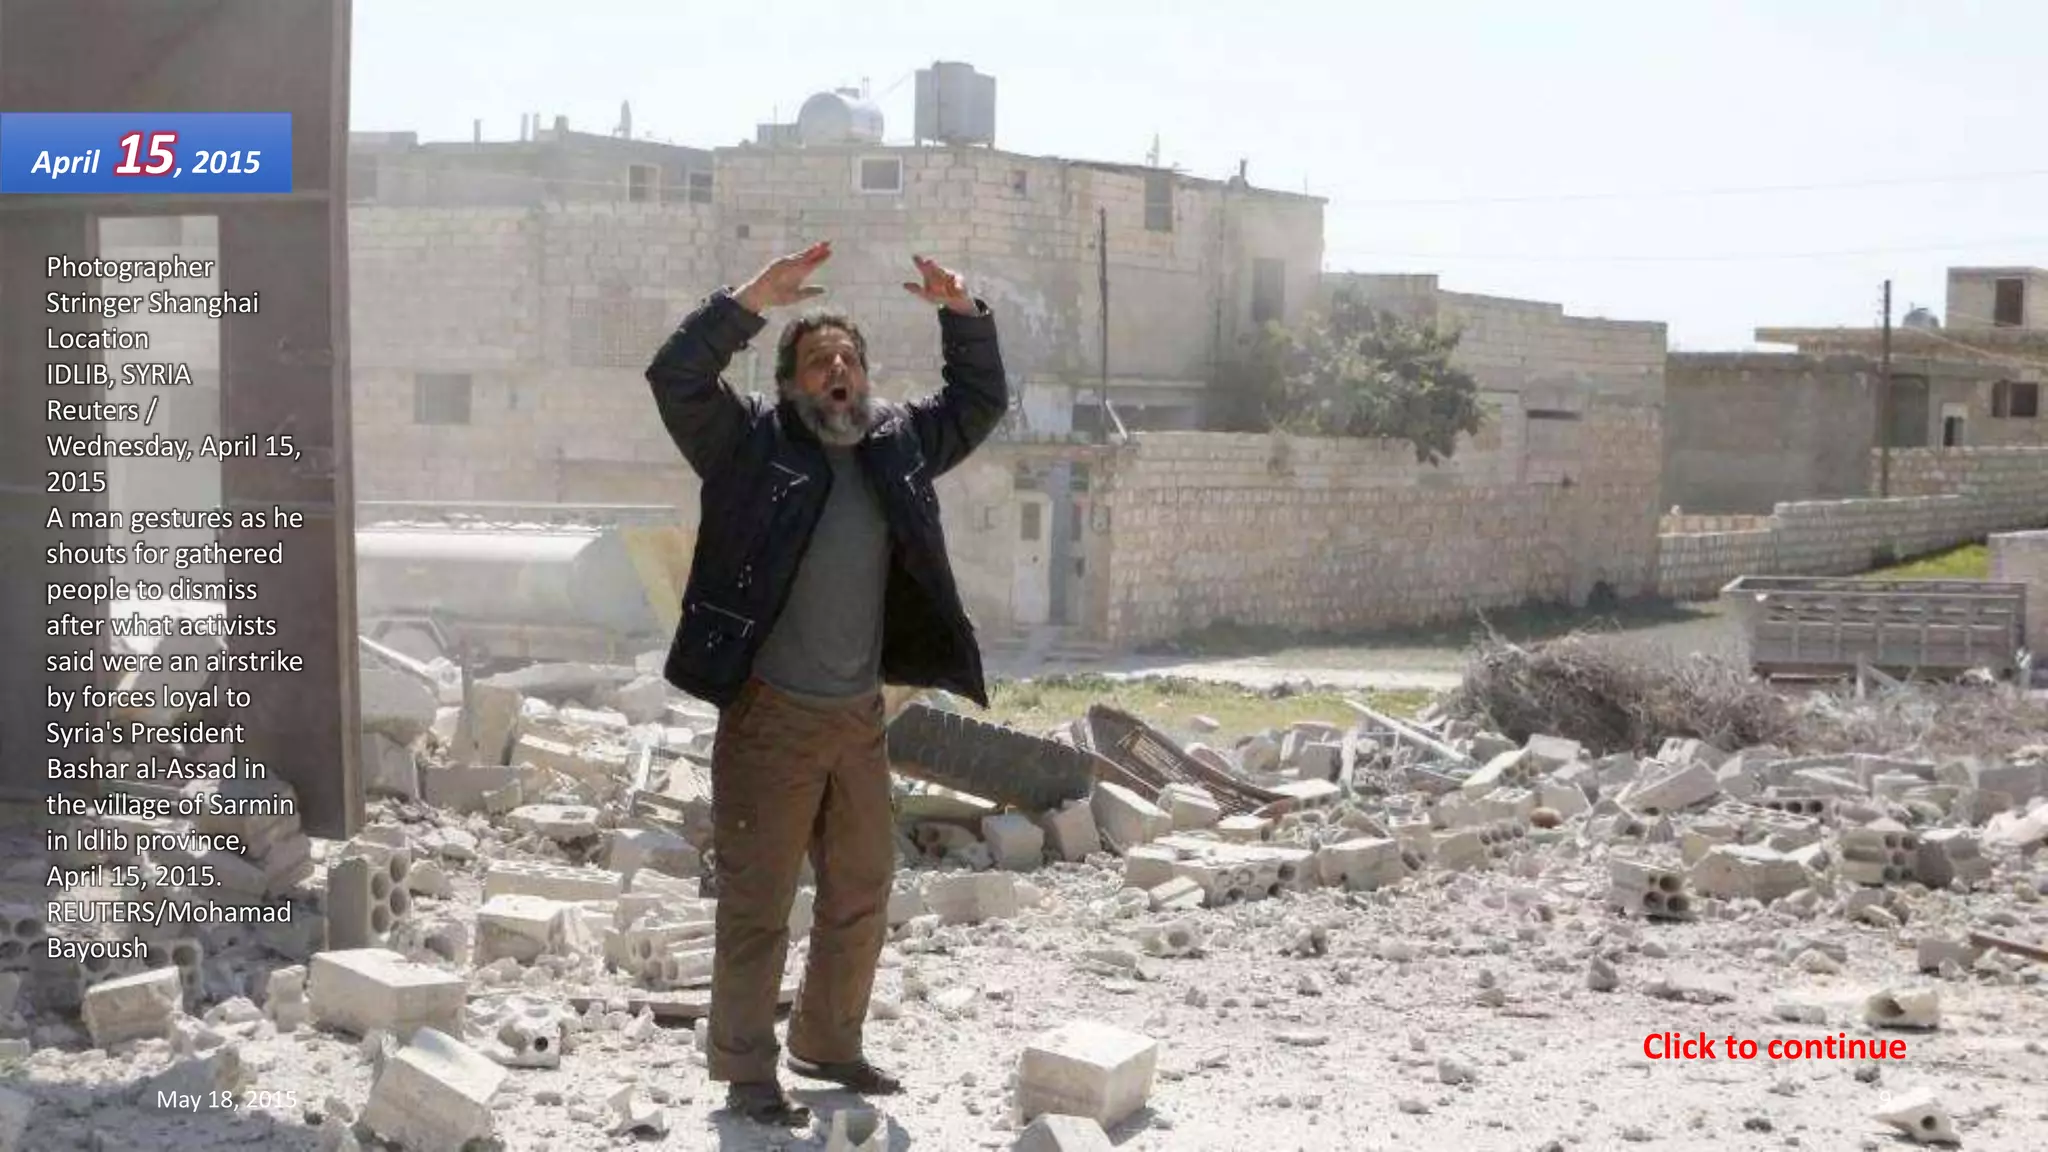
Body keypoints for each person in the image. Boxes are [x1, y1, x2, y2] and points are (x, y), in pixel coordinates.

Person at [644, 241, 1007, 1126]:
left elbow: (978, 403)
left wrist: (964, 317)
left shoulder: (896, 446)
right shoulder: (749, 446)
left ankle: (829, 1042)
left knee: (861, 887)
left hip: (856, 719)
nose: (838, 371)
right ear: (792, 383)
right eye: (819, 362)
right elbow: (676, 376)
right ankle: (745, 1067)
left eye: (850, 359)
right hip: (770, 715)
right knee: (759, 901)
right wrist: (746, 302)